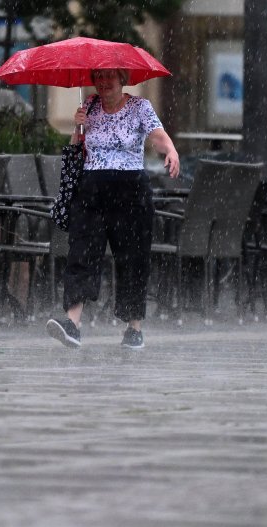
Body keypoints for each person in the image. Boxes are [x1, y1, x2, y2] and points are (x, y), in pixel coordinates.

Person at [46, 68, 180, 350]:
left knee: (132, 258)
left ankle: (134, 328)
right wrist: (77, 128)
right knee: (81, 252)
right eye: (98, 77)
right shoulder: (89, 106)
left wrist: (170, 150)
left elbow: (157, 135)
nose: (104, 83)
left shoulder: (140, 107)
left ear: (123, 79)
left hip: (130, 191)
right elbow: (75, 152)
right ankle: (73, 324)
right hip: (92, 190)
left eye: (110, 77)